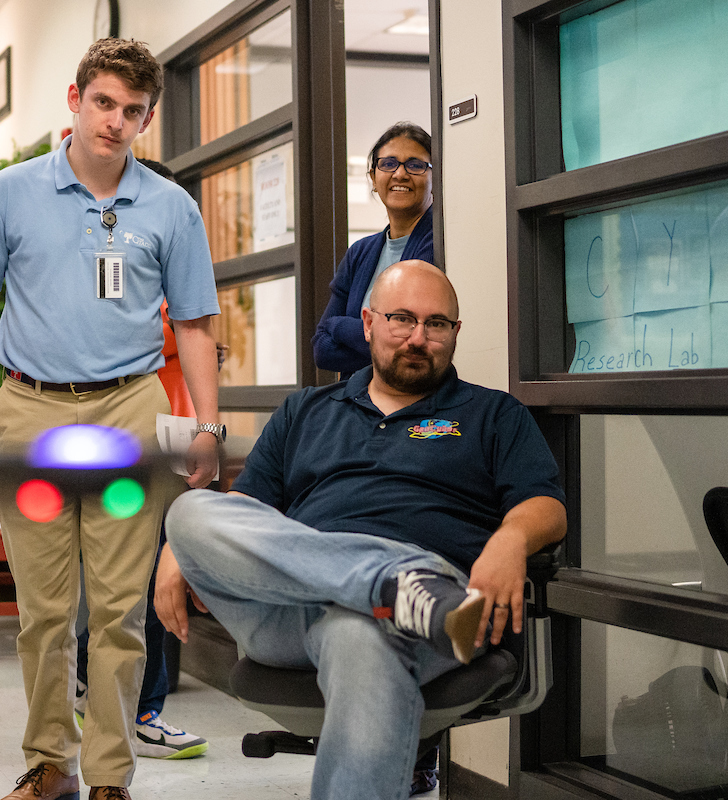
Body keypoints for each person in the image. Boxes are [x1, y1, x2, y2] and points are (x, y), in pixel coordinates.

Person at [158, 261, 568, 800]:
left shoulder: (493, 414)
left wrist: (511, 539)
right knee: (188, 514)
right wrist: (180, 552)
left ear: (455, 333)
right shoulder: (305, 411)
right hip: (290, 612)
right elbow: (243, 510)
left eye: (437, 324)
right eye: (402, 319)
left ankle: (396, 593)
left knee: (360, 634)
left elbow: (547, 507)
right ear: (369, 323)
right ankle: (391, 584)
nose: (418, 338)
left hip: (437, 621)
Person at [0, 38, 221, 800]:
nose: (116, 121)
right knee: (44, 608)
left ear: (149, 117)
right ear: (74, 97)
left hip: (130, 409)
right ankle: (50, 763)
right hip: (31, 408)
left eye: (133, 111)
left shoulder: (170, 206)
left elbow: (195, 324)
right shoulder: (11, 192)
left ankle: (109, 776)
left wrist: (208, 426)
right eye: (104, 102)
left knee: (122, 609)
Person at [72, 157, 208, 761]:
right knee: (135, 577)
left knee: (142, 574)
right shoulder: (118, 267)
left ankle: (106, 698)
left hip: (174, 435)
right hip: (135, 439)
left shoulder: (166, 262)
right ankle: (137, 714)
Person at [312, 122, 435, 376]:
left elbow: (409, 345)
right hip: (358, 404)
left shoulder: (439, 243)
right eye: (388, 164)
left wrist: (339, 326)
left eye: (415, 165)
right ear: (373, 177)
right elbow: (322, 350)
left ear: (436, 175)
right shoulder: (360, 253)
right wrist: (379, 336)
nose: (400, 174)